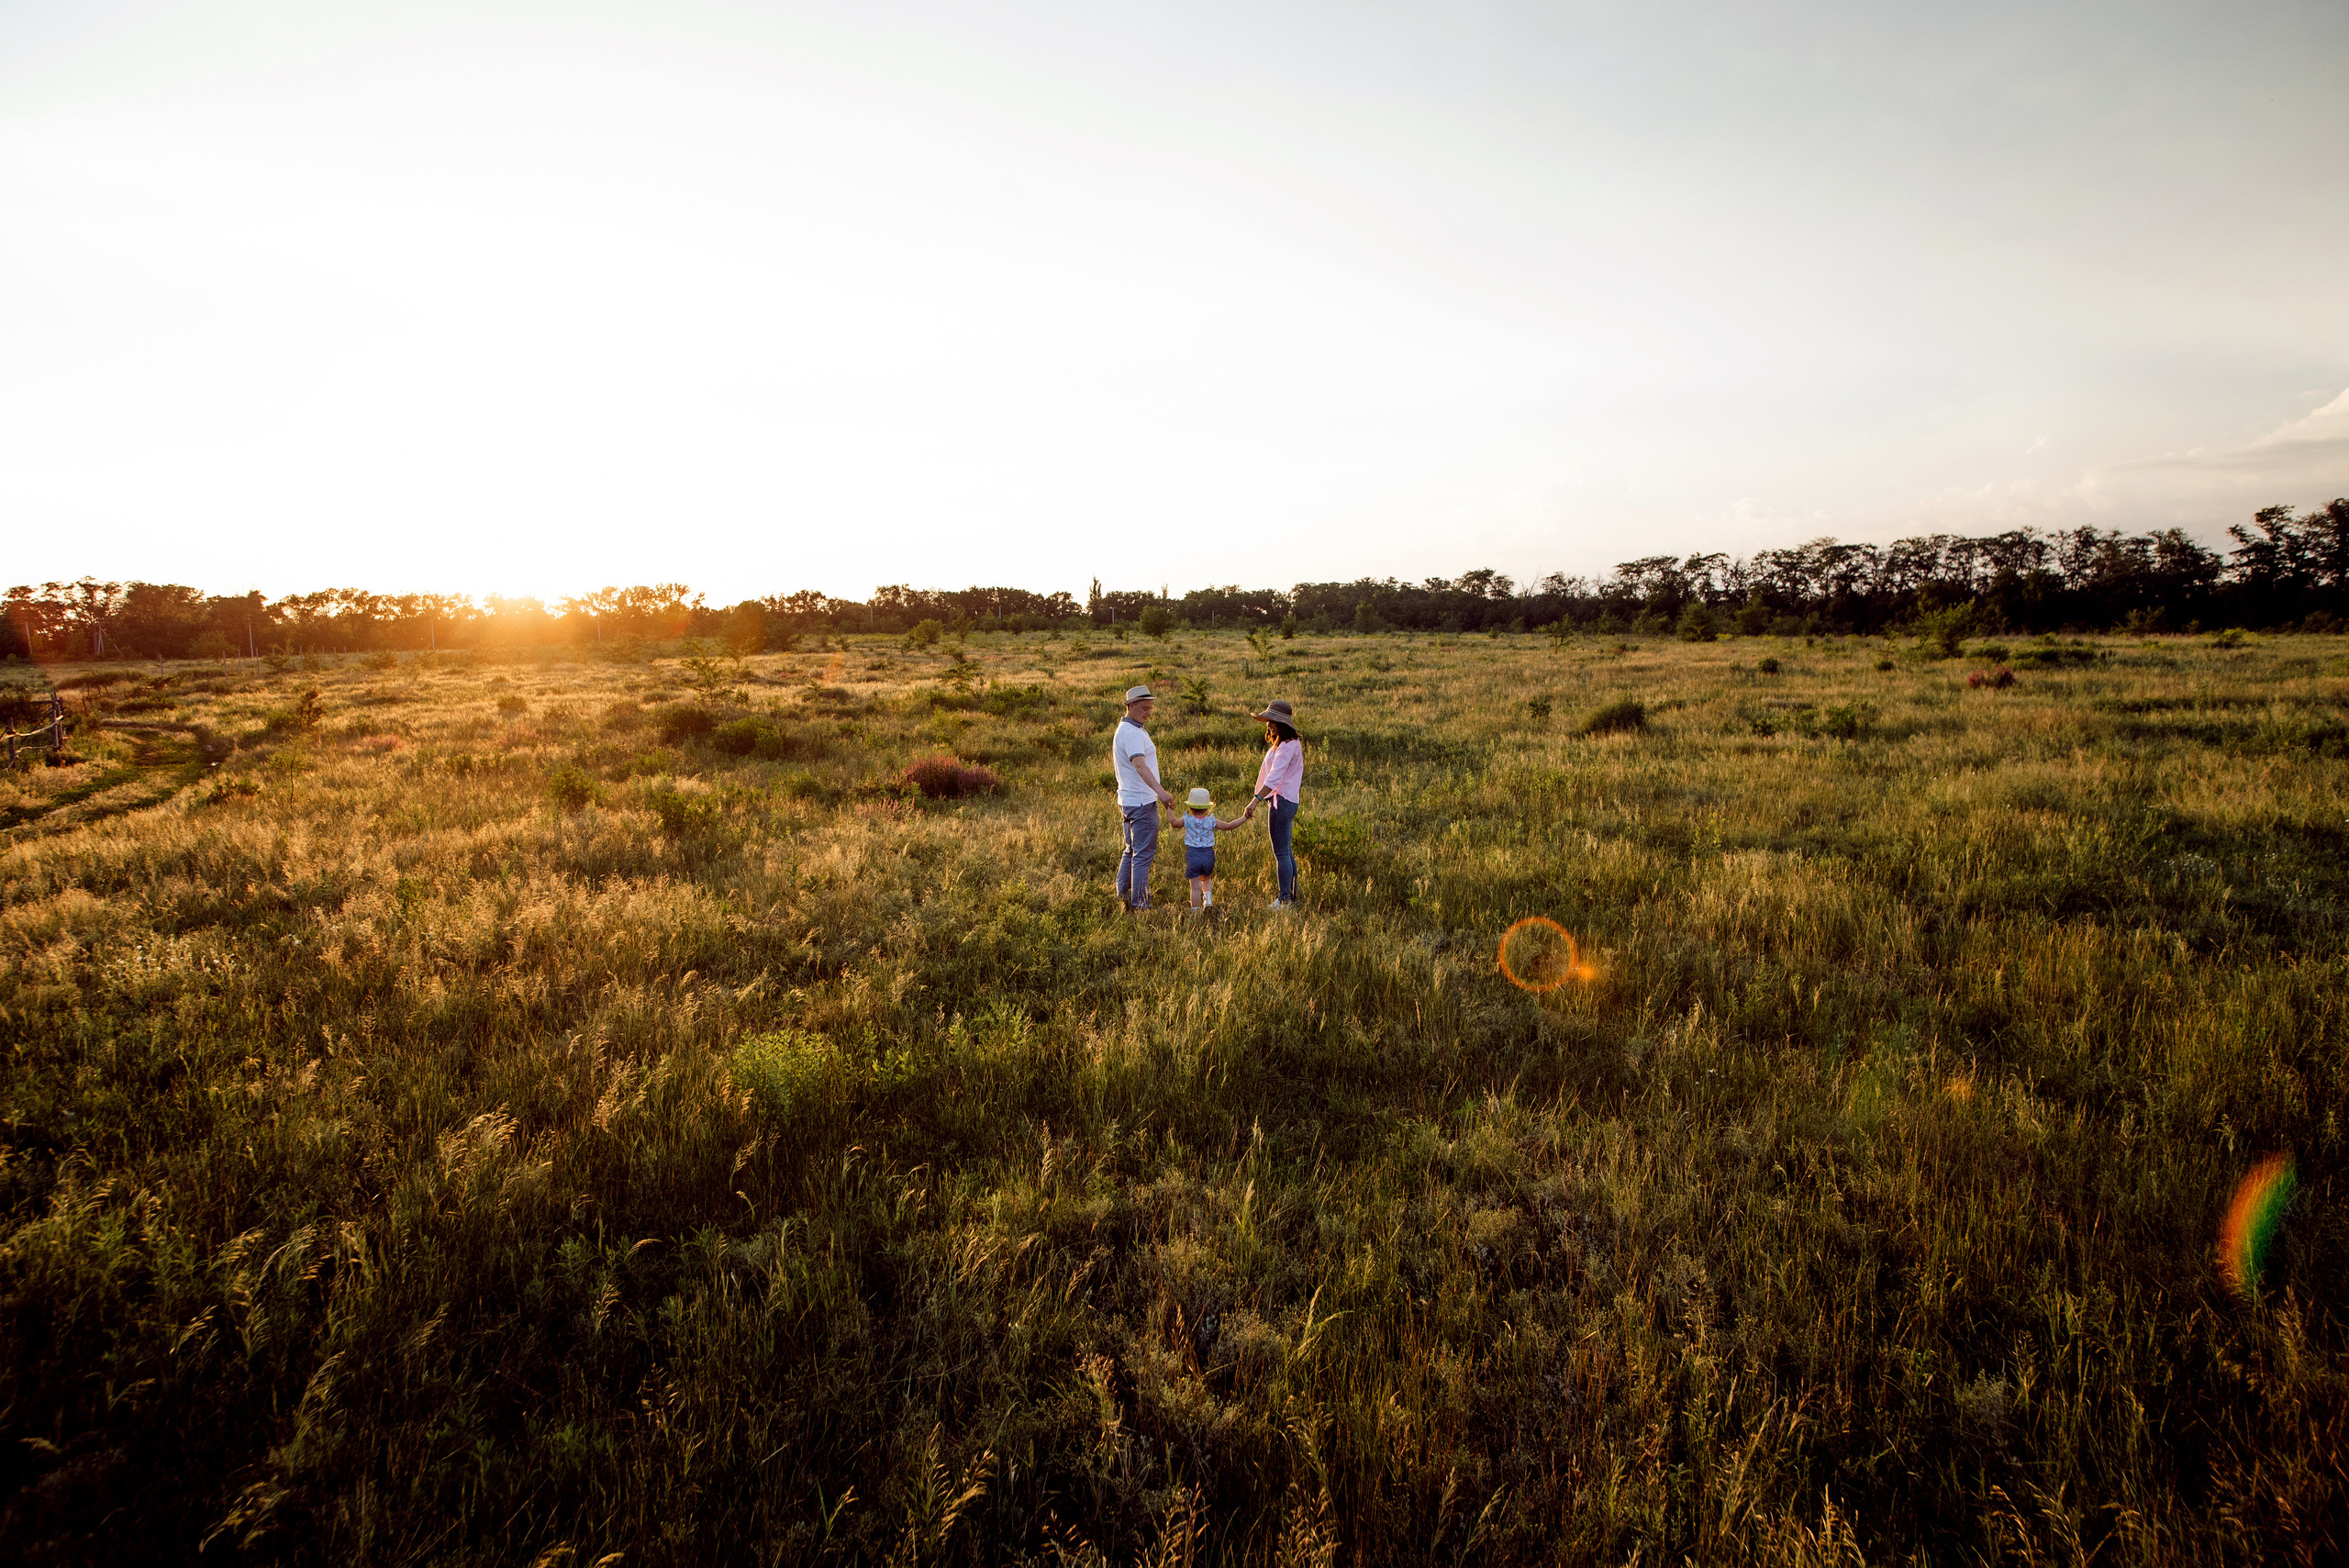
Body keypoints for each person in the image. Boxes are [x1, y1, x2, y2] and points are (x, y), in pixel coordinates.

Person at [1110, 684, 1176, 910]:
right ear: (1130, 706)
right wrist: (1162, 793)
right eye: (1144, 708)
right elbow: (1139, 765)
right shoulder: (1130, 732)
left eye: (1150, 708)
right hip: (1141, 802)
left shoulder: (1132, 728)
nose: (1148, 713)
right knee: (1143, 854)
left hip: (1129, 800)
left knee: (1131, 850)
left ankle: (1124, 897)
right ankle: (1140, 904)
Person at [1250, 698, 1305, 908]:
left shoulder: (1287, 747)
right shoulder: (1286, 744)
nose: (1268, 724)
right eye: (1268, 720)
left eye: (1272, 720)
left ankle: (1284, 900)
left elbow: (1273, 778)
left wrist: (1255, 801)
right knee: (1286, 851)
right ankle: (1291, 897)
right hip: (1285, 800)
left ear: (1282, 723)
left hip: (1281, 802)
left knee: (1281, 853)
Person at [1172, 785, 1254, 913]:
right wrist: (1245, 817)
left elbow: (1173, 823)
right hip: (1208, 854)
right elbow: (1230, 826)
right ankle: (1208, 899)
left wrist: (1169, 808)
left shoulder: (1187, 819)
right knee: (1207, 878)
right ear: (1207, 807)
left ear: (1190, 806)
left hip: (1193, 854)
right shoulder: (1211, 821)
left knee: (1195, 887)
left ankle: (1195, 912)